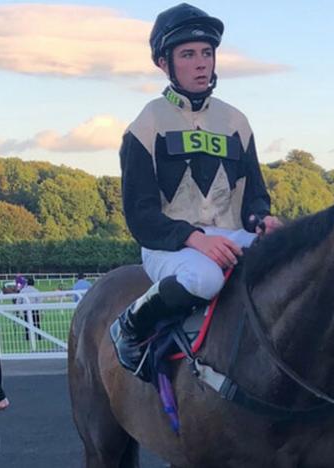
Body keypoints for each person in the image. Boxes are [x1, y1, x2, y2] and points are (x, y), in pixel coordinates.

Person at [111, 3, 282, 377]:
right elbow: (140, 217)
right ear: (163, 63)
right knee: (204, 278)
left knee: (293, 261)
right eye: (188, 55)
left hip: (231, 237)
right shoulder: (145, 125)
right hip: (170, 246)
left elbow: (254, 195)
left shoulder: (237, 121)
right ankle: (130, 323)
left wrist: (261, 220)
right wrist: (195, 238)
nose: (202, 63)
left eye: (207, 53)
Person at [18, 277, 42, 341]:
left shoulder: (23, 291)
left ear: (27, 283)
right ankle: (39, 337)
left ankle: (27, 337)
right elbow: (39, 301)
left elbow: (19, 301)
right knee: (36, 324)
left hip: (26, 309)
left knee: (27, 324)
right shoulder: (36, 291)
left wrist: (19, 310)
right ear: (33, 283)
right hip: (34, 310)